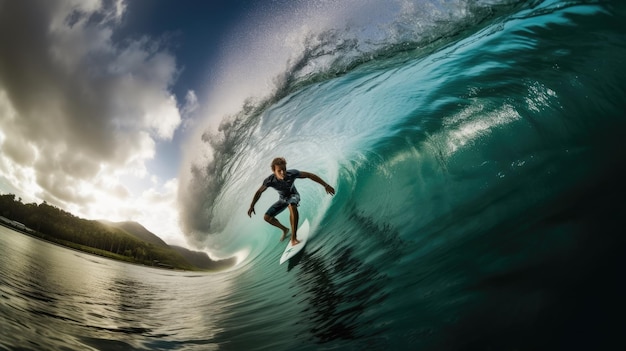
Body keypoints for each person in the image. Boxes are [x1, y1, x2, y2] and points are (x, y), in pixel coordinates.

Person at [248, 157, 335, 245]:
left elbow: (309, 175)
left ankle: (293, 238)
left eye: (284, 169)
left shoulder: (292, 173)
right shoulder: (269, 181)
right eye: (279, 171)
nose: (283, 172)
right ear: (274, 171)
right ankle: (285, 230)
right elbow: (259, 192)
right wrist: (252, 205)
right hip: (282, 199)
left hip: (293, 195)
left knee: (292, 205)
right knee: (267, 217)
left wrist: (326, 185)